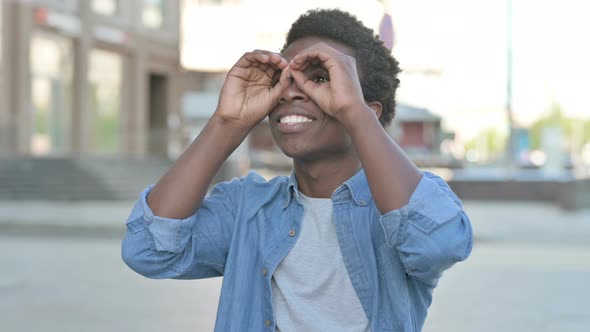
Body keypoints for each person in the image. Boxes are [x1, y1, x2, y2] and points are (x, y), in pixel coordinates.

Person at [122, 8, 472, 332]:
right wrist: (227, 122)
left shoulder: (405, 201)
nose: (292, 93)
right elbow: (148, 249)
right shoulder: (246, 208)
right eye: (283, 81)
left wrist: (355, 113)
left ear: (369, 109)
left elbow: (436, 246)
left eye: (320, 79)